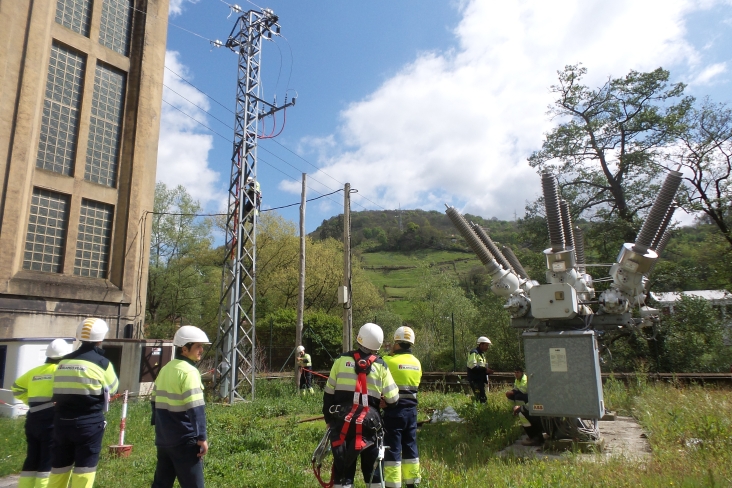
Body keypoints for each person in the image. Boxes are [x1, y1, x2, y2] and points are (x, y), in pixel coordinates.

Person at [323, 323, 399, 488]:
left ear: (359, 338)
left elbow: (328, 394)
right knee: (373, 473)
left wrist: (329, 420)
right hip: (369, 427)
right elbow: (394, 399)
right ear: (377, 345)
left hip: (342, 424)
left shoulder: (341, 361)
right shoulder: (381, 366)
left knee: (343, 471)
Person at [48, 318, 119, 488]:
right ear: (101, 338)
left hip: (61, 422)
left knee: (59, 468)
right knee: (84, 470)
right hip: (88, 423)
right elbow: (114, 388)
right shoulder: (102, 363)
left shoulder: (63, 362)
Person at [151, 325, 210, 488]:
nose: (201, 350)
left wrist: (161, 427)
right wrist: (201, 437)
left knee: (161, 484)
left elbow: (154, 402)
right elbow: (196, 409)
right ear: (184, 349)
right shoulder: (189, 372)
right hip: (184, 440)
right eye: (198, 346)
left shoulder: (165, 369)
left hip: (164, 439)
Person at [12, 339, 72, 488]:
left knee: (32, 459)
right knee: (48, 460)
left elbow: (16, 389)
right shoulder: (61, 372)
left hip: (33, 419)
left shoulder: (34, 372)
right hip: (51, 421)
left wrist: (31, 402)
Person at [382, 326, 422, 488]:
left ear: (396, 342)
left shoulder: (388, 361)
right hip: (411, 412)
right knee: (410, 447)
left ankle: (393, 484)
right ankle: (412, 483)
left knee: (392, 448)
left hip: (393, 411)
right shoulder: (417, 363)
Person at [466, 336, 493, 403]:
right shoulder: (474, 353)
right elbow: (473, 367)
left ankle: (479, 410)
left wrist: (487, 372)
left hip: (479, 380)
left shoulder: (482, 354)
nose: (488, 347)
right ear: (481, 344)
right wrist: (485, 370)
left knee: (481, 397)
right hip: (475, 380)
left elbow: (481, 367)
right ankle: (479, 411)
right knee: (480, 398)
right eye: (486, 345)